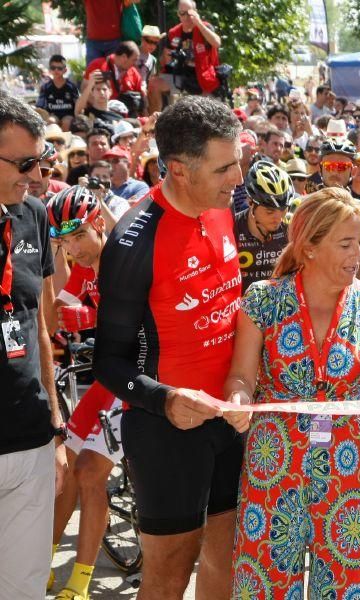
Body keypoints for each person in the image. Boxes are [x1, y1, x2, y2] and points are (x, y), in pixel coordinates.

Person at [223, 187, 360, 598]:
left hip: (348, 466)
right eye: (346, 244)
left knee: (352, 586)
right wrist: (238, 399)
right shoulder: (262, 301)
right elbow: (240, 377)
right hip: (272, 465)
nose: (358, 254)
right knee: (266, 585)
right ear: (310, 247)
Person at [92, 96, 244, 598]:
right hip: (166, 429)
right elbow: (107, 361)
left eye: (238, 161)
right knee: (170, 573)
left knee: (228, 559)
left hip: (231, 416)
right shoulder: (134, 242)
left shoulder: (222, 211)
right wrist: (166, 400)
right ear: (178, 169)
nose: (237, 178)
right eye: (225, 168)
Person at [0, 92, 66, 599]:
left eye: (40, 162)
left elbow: (38, 321)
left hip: (32, 437)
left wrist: (57, 425)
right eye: (25, 163)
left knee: (24, 589)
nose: (37, 176)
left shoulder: (33, 215)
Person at [45, 186, 125, 600]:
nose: (73, 248)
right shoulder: (85, 264)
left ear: (97, 224)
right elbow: (56, 309)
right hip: (105, 379)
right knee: (65, 470)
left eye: (77, 237)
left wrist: (88, 314)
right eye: (64, 241)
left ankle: (79, 584)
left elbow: (127, 321)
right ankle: (44, 562)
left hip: (134, 383)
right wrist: (50, 256)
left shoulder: (121, 259)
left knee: (90, 475)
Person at [149, 0, 222, 112]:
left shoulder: (205, 27)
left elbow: (217, 43)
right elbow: (164, 62)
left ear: (196, 12)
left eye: (189, 13)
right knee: (154, 84)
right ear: (178, 14)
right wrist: (164, 56)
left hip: (203, 77)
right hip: (180, 75)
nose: (186, 17)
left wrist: (199, 23)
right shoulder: (173, 32)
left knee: (204, 112)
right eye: (182, 13)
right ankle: (153, 122)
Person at [234, 160, 291, 292]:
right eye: (269, 211)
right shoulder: (232, 227)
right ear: (250, 203)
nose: (278, 218)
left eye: (283, 210)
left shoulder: (289, 227)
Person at [37, 55, 80, 128]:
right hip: (52, 115)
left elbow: (78, 104)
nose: (56, 70)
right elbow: (40, 107)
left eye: (59, 68)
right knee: (51, 121)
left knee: (67, 122)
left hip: (68, 115)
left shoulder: (71, 86)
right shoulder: (45, 87)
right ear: (50, 69)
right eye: (53, 68)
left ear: (65, 70)